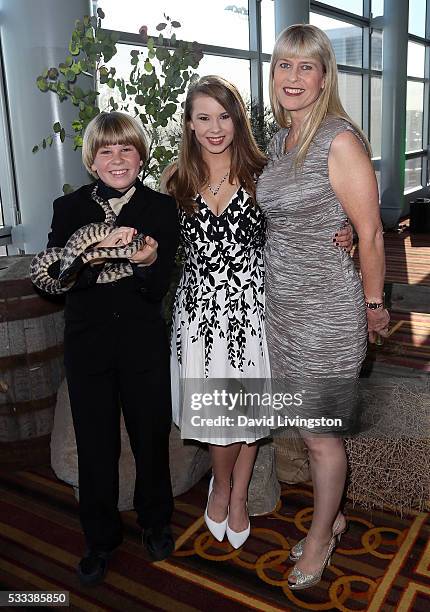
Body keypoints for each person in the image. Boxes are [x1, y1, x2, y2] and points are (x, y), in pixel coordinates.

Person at [162, 75, 353, 550]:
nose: (215, 127)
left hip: (253, 311)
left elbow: (310, 209)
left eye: (224, 116)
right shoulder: (175, 179)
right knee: (214, 417)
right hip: (200, 317)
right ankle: (221, 485)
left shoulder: (261, 171)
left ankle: (239, 491)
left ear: (238, 120)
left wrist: (345, 227)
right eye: (203, 117)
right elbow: (153, 244)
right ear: (188, 123)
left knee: (246, 414)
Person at [257, 25, 390, 589]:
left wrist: (374, 304)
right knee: (311, 427)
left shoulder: (337, 138)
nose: (293, 77)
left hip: (327, 313)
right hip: (283, 308)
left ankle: (321, 537)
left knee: (319, 435)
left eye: (305, 67)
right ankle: (331, 514)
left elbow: (372, 234)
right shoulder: (281, 138)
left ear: (324, 76)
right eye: (284, 65)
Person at [41, 111, 179, 585]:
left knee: (150, 438)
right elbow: (56, 280)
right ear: (92, 159)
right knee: (94, 446)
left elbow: (158, 286)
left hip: (143, 345)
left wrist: (146, 261)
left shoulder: (161, 209)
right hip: (89, 348)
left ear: (141, 155)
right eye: (106, 150)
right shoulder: (69, 209)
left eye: (126, 149)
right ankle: (100, 540)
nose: (117, 159)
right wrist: (91, 256)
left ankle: (156, 521)